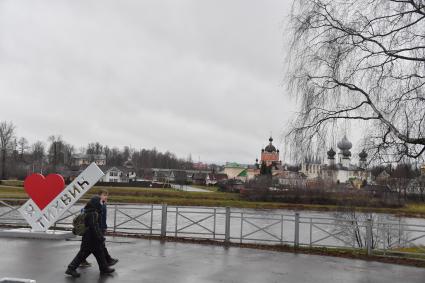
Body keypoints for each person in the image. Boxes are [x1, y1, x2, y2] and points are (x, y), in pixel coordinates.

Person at [65, 196, 115, 278]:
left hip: (89, 237)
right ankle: (71, 268)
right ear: (96, 203)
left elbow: (93, 226)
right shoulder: (93, 213)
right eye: (100, 202)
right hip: (91, 238)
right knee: (83, 254)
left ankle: (104, 268)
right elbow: (94, 227)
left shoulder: (88, 211)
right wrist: (100, 237)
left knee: (99, 252)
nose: (101, 204)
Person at [80, 189, 118, 267]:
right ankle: (107, 261)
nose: (106, 197)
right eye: (104, 195)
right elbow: (86, 212)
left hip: (98, 227)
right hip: (96, 228)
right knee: (97, 246)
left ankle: (106, 262)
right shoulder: (97, 204)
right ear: (99, 196)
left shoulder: (103, 204)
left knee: (92, 247)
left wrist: (105, 226)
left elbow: (103, 218)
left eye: (107, 195)